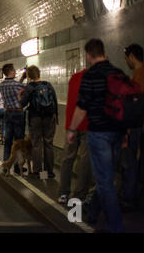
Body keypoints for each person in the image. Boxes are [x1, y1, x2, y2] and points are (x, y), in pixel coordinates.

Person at [67, 39, 125, 233]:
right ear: (104, 52)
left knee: (105, 180)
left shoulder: (90, 75)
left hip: (99, 133)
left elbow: (82, 107)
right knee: (107, 177)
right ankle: (93, 209)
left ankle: (115, 226)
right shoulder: (118, 73)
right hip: (117, 133)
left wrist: (72, 130)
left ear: (89, 55)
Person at [58, 69, 94, 204]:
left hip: (71, 123)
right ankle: (79, 196)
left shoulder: (74, 77)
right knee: (85, 160)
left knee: (67, 158)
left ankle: (63, 193)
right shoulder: (97, 78)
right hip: (88, 124)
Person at [122, 44, 144, 211]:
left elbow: (134, 104)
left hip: (134, 125)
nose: (126, 61)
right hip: (140, 123)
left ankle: (129, 198)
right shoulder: (143, 73)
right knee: (134, 161)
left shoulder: (140, 75)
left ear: (132, 56)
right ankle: (130, 195)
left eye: (127, 58)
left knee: (130, 162)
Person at [19, 66, 58, 179]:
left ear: (29, 76)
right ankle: (49, 172)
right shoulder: (48, 85)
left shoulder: (30, 87)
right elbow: (54, 101)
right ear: (39, 73)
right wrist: (55, 117)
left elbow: (22, 104)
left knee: (36, 144)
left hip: (35, 117)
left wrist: (20, 95)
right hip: (49, 118)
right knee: (48, 143)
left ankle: (37, 172)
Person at [0, 64, 27, 175]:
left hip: (8, 113)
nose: (15, 72)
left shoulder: (2, 85)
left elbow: (17, 86)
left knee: (8, 141)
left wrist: (21, 78)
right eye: (14, 70)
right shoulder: (17, 85)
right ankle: (17, 167)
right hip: (18, 114)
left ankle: (6, 166)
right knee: (19, 142)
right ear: (11, 72)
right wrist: (26, 77)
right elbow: (26, 89)